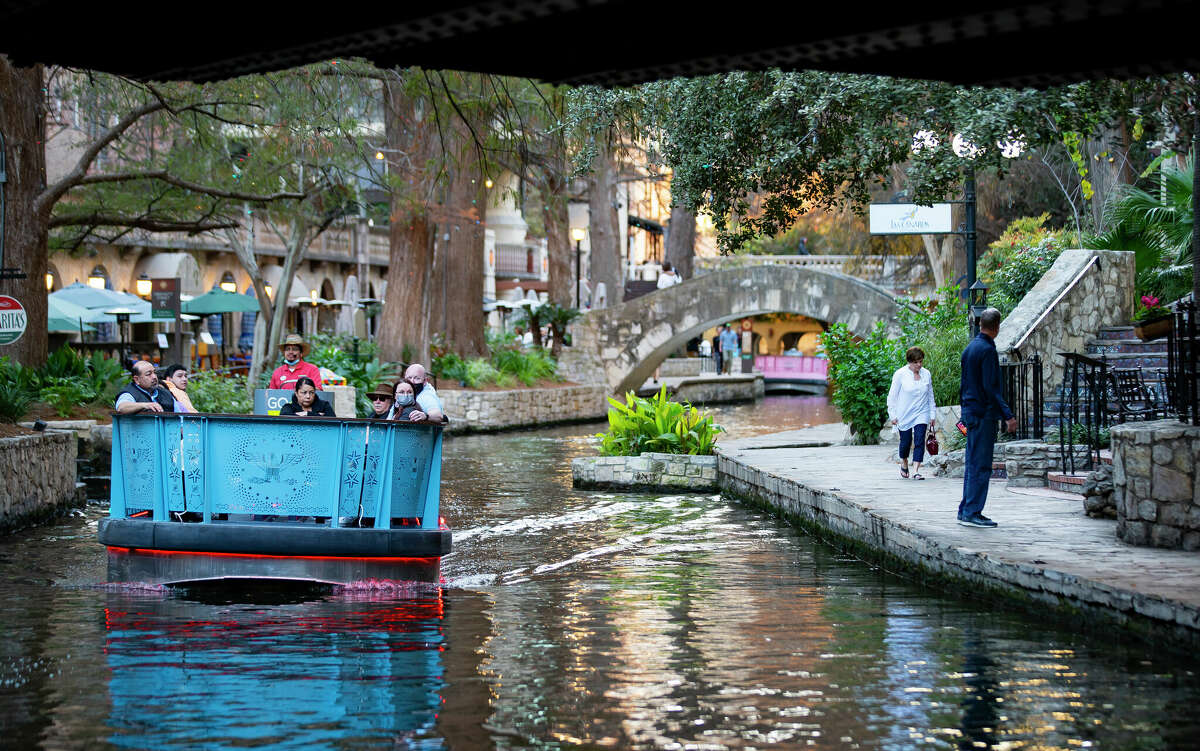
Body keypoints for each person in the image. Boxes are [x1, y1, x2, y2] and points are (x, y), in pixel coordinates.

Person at [958, 308, 1018, 528]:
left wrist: (964, 411)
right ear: (997, 327)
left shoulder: (970, 348)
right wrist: (1008, 416)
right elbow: (991, 388)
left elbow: (964, 384)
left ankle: (965, 509)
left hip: (971, 412)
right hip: (983, 415)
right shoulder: (987, 351)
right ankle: (972, 512)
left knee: (972, 463)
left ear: (979, 323)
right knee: (981, 465)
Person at [888, 347, 936, 480]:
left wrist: (932, 414)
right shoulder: (900, 374)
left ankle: (916, 470)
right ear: (909, 362)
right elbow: (892, 396)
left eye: (921, 361)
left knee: (920, 439)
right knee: (905, 442)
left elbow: (930, 396)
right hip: (904, 413)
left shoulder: (926, 374)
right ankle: (904, 462)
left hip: (922, 412)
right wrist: (892, 414)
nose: (919, 365)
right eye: (916, 362)